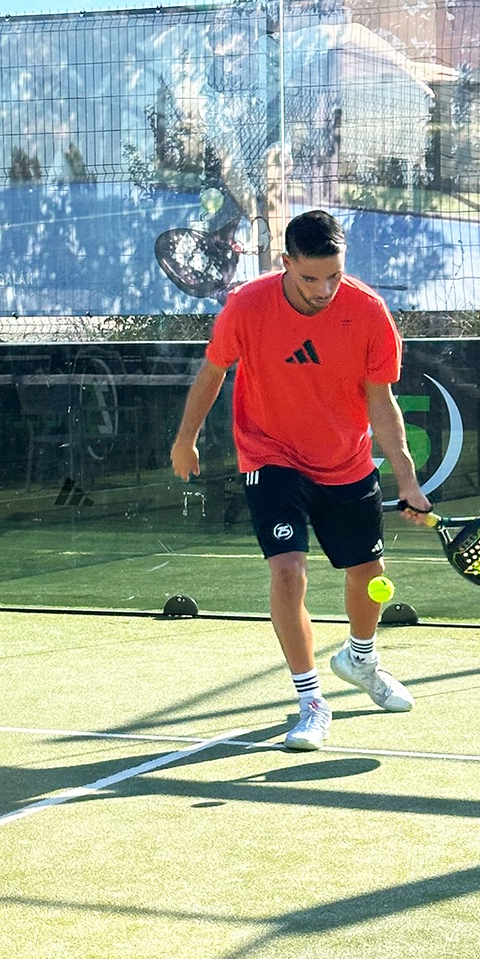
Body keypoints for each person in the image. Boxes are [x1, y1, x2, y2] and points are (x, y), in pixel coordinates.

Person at [170, 209, 432, 751]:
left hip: (346, 460)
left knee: (369, 575)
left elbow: (382, 403)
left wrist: (407, 479)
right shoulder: (247, 307)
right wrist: (185, 438)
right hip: (269, 453)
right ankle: (311, 701)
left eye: (334, 275)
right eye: (311, 277)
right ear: (286, 263)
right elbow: (214, 371)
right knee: (288, 572)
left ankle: (361, 659)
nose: (324, 289)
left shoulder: (368, 313)